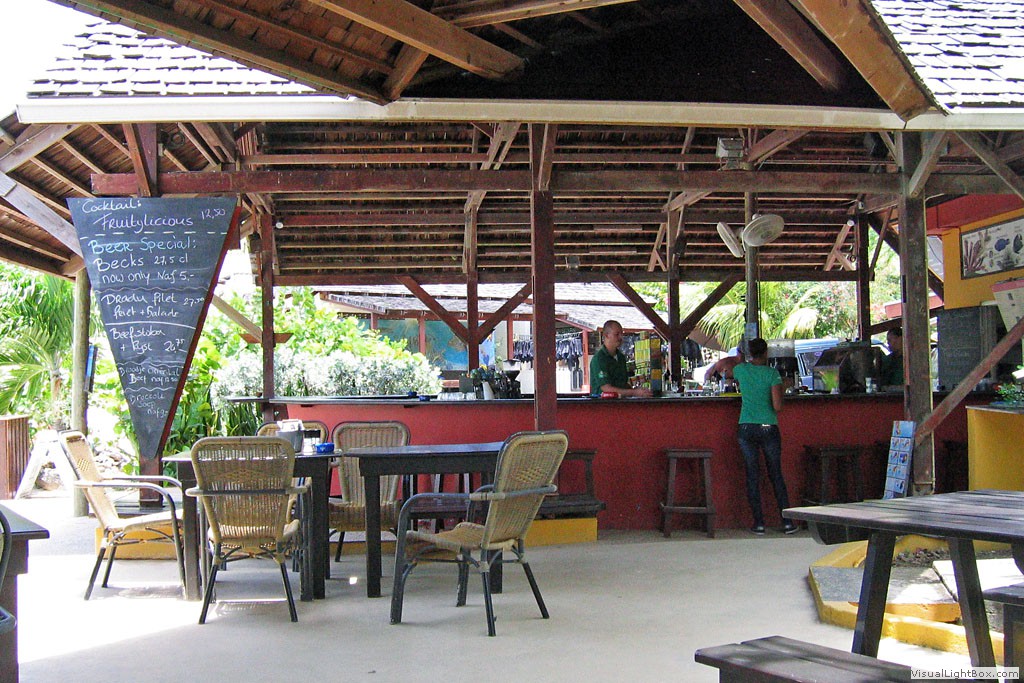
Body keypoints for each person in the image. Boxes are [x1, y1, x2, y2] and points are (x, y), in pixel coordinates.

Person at [732, 337, 797, 535]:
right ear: (766, 352)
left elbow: (728, 370)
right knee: (775, 474)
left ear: (748, 353)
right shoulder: (772, 374)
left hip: (746, 427)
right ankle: (787, 522)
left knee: (752, 475)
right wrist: (783, 387)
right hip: (768, 427)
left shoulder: (741, 370)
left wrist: (741, 358)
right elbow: (777, 406)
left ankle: (759, 523)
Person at [589, 320, 653, 398]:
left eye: (622, 334)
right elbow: (606, 389)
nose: (620, 337)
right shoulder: (599, 359)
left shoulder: (621, 357)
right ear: (606, 335)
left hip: (620, 402)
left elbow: (623, 384)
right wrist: (634, 392)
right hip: (602, 403)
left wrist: (640, 391)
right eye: (617, 334)